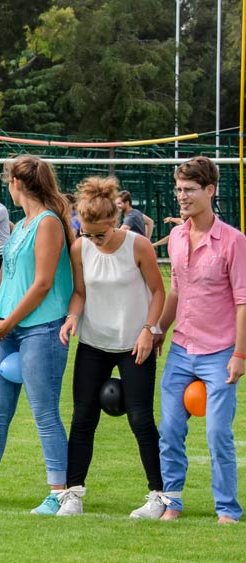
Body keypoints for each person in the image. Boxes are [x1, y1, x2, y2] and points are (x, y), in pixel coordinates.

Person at [56, 176, 166, 517]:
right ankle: (72, 493)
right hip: (93, 343)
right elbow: (80, 293)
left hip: (134, 344)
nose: (93, 240)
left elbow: (158, 292)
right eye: (87, 234)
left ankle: (158, 496)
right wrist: (72, 317)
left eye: (99, 235)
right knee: (83, 418)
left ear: (114, 220)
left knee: (141, 419)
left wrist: (149, 330)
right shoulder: (79, 248)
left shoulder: (138, 246)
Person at [0, 155, 74, 514]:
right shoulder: (20, 227)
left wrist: (8, 323)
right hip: (6, 328)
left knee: (44, 411)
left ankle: (59, 493)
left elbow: (43, 283)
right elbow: (3, 276)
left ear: (17, 183)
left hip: (41, 329)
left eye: (8, 182)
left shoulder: (48, 223)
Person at [156, 156, 245, 524]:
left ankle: (227, 509)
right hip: (181, 349)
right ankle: (172, 502)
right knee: (170, 430)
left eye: (189, 189)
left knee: (217, 433)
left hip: (220, 352)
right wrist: (159, 330)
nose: (182, 196)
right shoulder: (177, 237)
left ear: (210, 190)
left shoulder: (235, 241)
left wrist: (240, 354)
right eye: (178, 189)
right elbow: (176, 291)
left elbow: (243, 301)